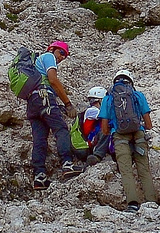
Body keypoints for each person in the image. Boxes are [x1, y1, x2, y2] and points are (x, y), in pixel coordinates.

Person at [99, 68, 157, 212]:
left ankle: (132, 203)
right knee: (143, 169)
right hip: (139, 135)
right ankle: (152, 202)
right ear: (131, 82)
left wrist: (114, 129)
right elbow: (149, 124)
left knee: (126, 171)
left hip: (119, 136)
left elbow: (104, 128)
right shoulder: (137, 95)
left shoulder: (108, 98)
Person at [26, 41, 80, 190]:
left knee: (39, 139)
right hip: (44, 98)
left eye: (66, 55)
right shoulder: (48, 56)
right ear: (53, 49)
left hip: (32, 104)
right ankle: (67, 164)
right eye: (61, 53)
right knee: (61, 129)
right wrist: (68, 104)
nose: (63, 57)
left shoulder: (35, 65)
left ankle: (39, 176)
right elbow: (53, 80)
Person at [70, 86, 112, 164]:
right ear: (100, 100)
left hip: (94, 138)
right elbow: (107, 117)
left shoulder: (93, 110)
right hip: (91, 140)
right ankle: (98, 154)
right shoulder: (92, 110)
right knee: (106, 130)